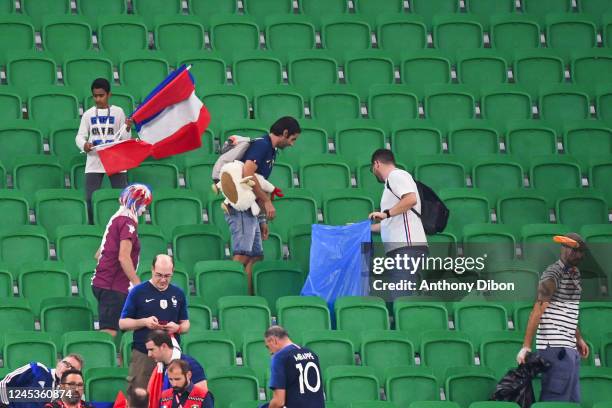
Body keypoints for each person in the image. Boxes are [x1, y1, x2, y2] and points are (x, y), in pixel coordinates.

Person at [224, 116, 300, 294]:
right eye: (292, 139)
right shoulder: (262, 145)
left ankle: (247, 297)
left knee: (256, 255)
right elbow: (247, 173)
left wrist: (262, 220)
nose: (292, 144)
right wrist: (266, 201)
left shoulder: (271, 150)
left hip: (252, 208)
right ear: (285, 133)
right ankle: (229, 298)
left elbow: (259, 181)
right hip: (240, 206)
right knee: (242, 254)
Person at [516, 233, 589, 402]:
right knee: (554, 401)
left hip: (570, 349)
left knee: (572, 402)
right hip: (555, 349)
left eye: (577, 251)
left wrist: (578, 338)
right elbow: (537, 310)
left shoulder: (575, 275)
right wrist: (526, 346)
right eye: (569, 249)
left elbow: (567, 312)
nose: (574, 254)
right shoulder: (552, 273)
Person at [119, 255, 189, 390]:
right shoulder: (138, 291)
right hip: (144, 354)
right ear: (152, 269)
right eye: (159, 275)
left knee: (171, 395)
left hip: (170, 356)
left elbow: (186, 324)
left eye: (167, 276)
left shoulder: (178, 293)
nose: (163, 280)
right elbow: (123, 323)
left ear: (173, 272)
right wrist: (144, 322)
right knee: (140, 395)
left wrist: (178, 328)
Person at [92, 183, 152, 339]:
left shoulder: (116, 219)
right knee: (109, 332)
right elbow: (123, 257)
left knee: (128, 324)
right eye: (144, 205)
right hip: (113, 286)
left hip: (104, 283)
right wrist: (137, 283)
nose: (144, 210)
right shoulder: (128, 223)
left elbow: (98, 254)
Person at [367, 149, 428, 294]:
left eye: (372, 169)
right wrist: (364, 228)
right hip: (404, 248)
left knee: (400, 298)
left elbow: (410, 200)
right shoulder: (393, 182)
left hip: (406, 248)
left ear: (376, 164)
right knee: (401, 295)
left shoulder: (396, 175)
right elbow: (390, 222)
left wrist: (386, 213)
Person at [75, 78, 132, 223]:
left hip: (115, 158)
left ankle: (124, 223)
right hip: (95, 159)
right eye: (95, 96)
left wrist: (128, 128)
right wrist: (84, 145)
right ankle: (93, 225)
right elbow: (79, 136)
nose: (98, 99)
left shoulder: (118, 112)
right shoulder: (88, 114)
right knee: (90, 197)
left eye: (101, 95)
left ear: (109, 95)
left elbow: (125, 138)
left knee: (122, 195)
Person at [264, 325, 324, 408]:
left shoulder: (280, 357)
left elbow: (279, 402)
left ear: (274, 340)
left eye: (268, 346)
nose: (270, 352)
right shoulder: (312, 354)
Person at [0, 355, 84, 408]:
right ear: (58, 363)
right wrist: (5, 405)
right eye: (66, 364)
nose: (68, 369)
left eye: (73, 369)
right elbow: (4, 383)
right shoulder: (37, 369)